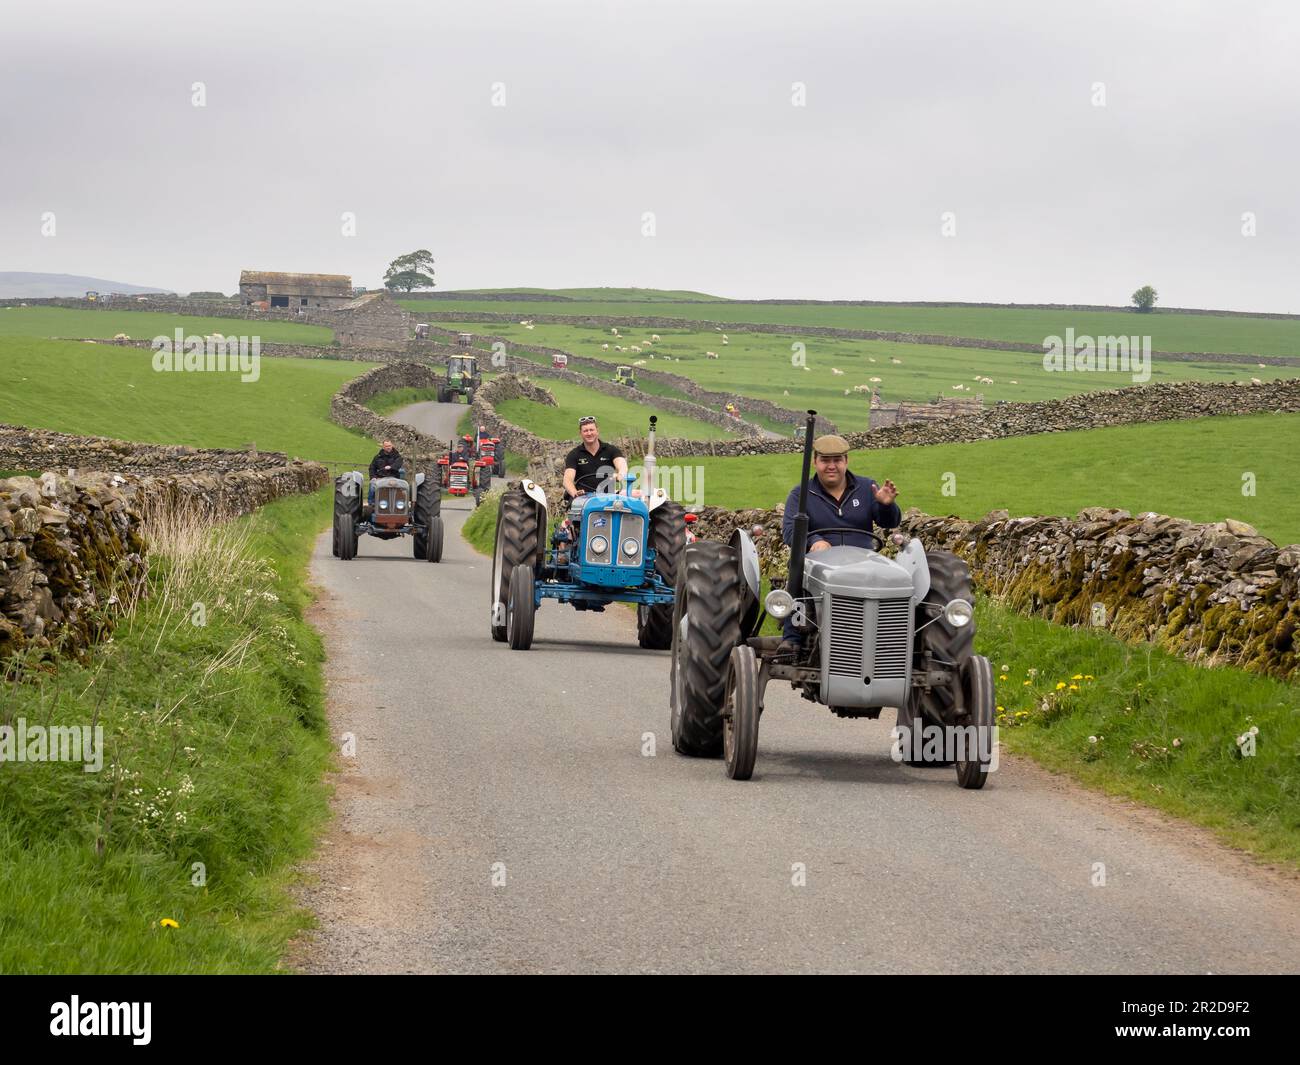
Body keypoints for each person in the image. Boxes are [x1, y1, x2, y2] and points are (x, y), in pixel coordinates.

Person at [777, 434, 901, 655]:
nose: (831, 466)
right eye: (825, 460)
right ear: (815, 462)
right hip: (820, 562)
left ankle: (891, 641)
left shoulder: (866, 488)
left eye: (837, 460)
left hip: (863, 560)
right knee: (797, 567)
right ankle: (792, 637)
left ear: (846, 461)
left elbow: (890, 522)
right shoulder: (801, 494)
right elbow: (790, 532)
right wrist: (814, 541)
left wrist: (885, 506)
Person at [563, 416, 628, 519]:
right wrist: (575, 493)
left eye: (591, 430)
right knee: (567, 526)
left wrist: (621, 474)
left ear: (597, 431)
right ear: (581, 433)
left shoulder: (610, 450)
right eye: (585, 431)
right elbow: (567, 479)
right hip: (583, 498)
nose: (589, 433)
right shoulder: (574, 454)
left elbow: (621, 464)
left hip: (608, 496)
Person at [367, 440, 406, 508]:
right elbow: (372, 468)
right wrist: (373, 477)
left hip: (394, 478)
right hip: (380, 478)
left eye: (389, 446)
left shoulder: (397, 456)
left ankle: (402, 505)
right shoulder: (378, 457)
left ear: (392, 445)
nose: (388, 447)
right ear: (383, 447)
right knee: (372, 485)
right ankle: (371, 504)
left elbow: (398, 464)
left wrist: (391, 467)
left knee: (404, 488)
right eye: (386, 446)